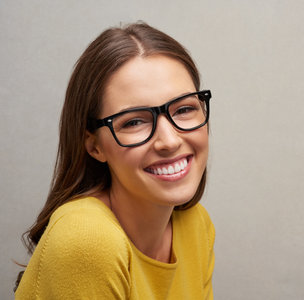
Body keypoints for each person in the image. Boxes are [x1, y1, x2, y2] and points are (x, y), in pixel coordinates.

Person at [15, 22, 214, 299]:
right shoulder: (87, 240)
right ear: (95, 146)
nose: (169, 141)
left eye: (184, 109)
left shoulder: (196, 226)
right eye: (134, 122)